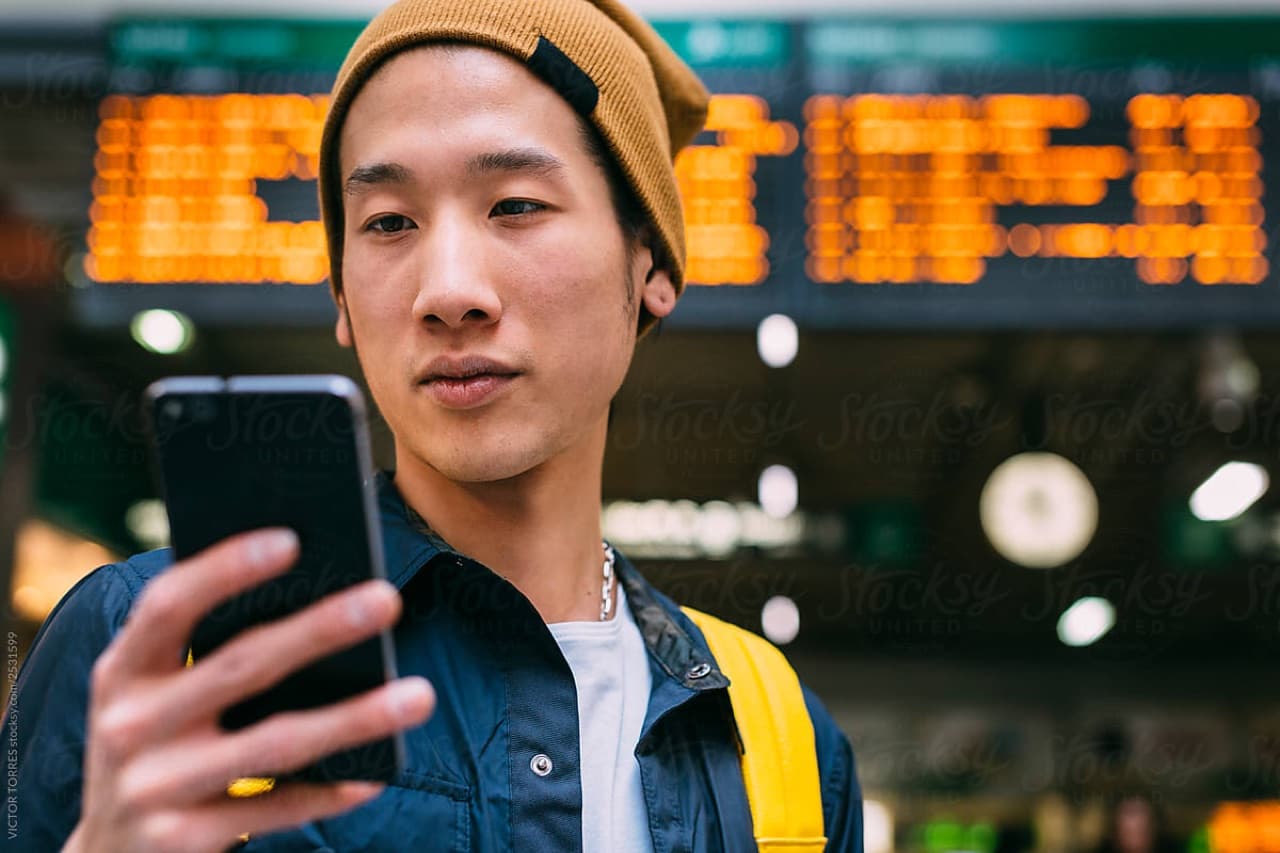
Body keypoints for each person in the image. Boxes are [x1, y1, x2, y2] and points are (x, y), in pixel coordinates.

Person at [6, 0, 864, 850]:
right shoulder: (155, 647)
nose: (448, 291)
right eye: (388, 223)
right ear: (342, 295)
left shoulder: (778, 740)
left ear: (650, 263)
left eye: (517, 205)